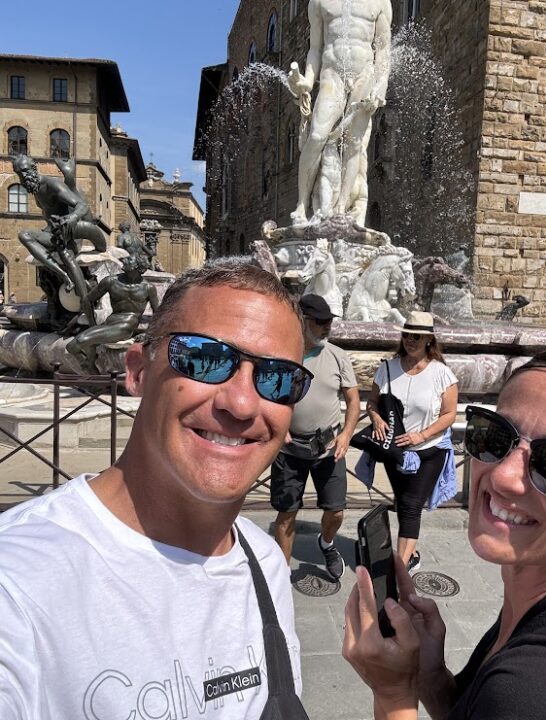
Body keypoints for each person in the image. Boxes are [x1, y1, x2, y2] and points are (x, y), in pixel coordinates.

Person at [0, 260, 314, 719]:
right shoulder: (18, 583)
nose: (243, 403)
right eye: (206, 359)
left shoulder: (264, 560)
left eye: (279, 378)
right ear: (137, 372)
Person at [344, 343, 546, 720]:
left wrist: (392, 694)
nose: (501, 476)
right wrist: (430, 678)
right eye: (495, 437)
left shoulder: (540, 689)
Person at [272, 294, 360, 580]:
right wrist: (279, 428)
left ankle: (327, 543)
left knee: (336, 512)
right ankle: (281, 574)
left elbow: (353, 399)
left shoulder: (337, 355)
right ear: (303, 321)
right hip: (289, 450)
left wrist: (347, 434)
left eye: (329, 322)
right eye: (321, 323)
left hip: (328, 448)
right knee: (286, 515)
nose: (327, 328)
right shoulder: (283, 353)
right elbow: (268, 396)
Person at [366, 310, 459, 571]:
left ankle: (400, 567)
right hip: (395, 451)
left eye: (417, 337)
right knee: (403, 500)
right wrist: (375, 418)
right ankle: (411, 551)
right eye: (407, 335)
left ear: (429, 340)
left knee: (410, 506)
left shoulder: (442, 374)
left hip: (428, 451)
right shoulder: (387, 368)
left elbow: (450, 414)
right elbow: (371, 402)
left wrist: (423, 435)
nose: (410, 340)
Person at [288, 0, 392, 226]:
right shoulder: (318, 2)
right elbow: (315, 48)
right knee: (316, 136)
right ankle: (301, 205)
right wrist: (306, 80)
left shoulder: (381, 2)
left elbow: (383, 49)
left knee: (354, 144)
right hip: (332, 72)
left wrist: (380, 85)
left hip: (365, 73)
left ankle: (342, 208)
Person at [11, 154, 107, 299]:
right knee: (24, 235)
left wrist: (72, 218)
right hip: (56, 233)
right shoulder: (35, 189)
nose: (22, 176)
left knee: (64, 249)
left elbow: (82, 206)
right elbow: (49, 215)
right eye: (18, 173)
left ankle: (85, 300)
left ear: (33, 168)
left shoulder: (52, 185)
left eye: (24, 171)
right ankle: (63, 275)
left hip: (71, 232)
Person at [66, 253, 160, 372]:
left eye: (129, 259)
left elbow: (158, 313)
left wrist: (148, 334)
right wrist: (92, 324)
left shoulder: (148, 288)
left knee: (78, 343)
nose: (124, 259)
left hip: (125, 327)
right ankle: (95, 378)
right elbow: (87, 301)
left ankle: (93, 375)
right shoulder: (111, 281)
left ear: (137, 266)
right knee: (71, 346)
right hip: (109, 323)